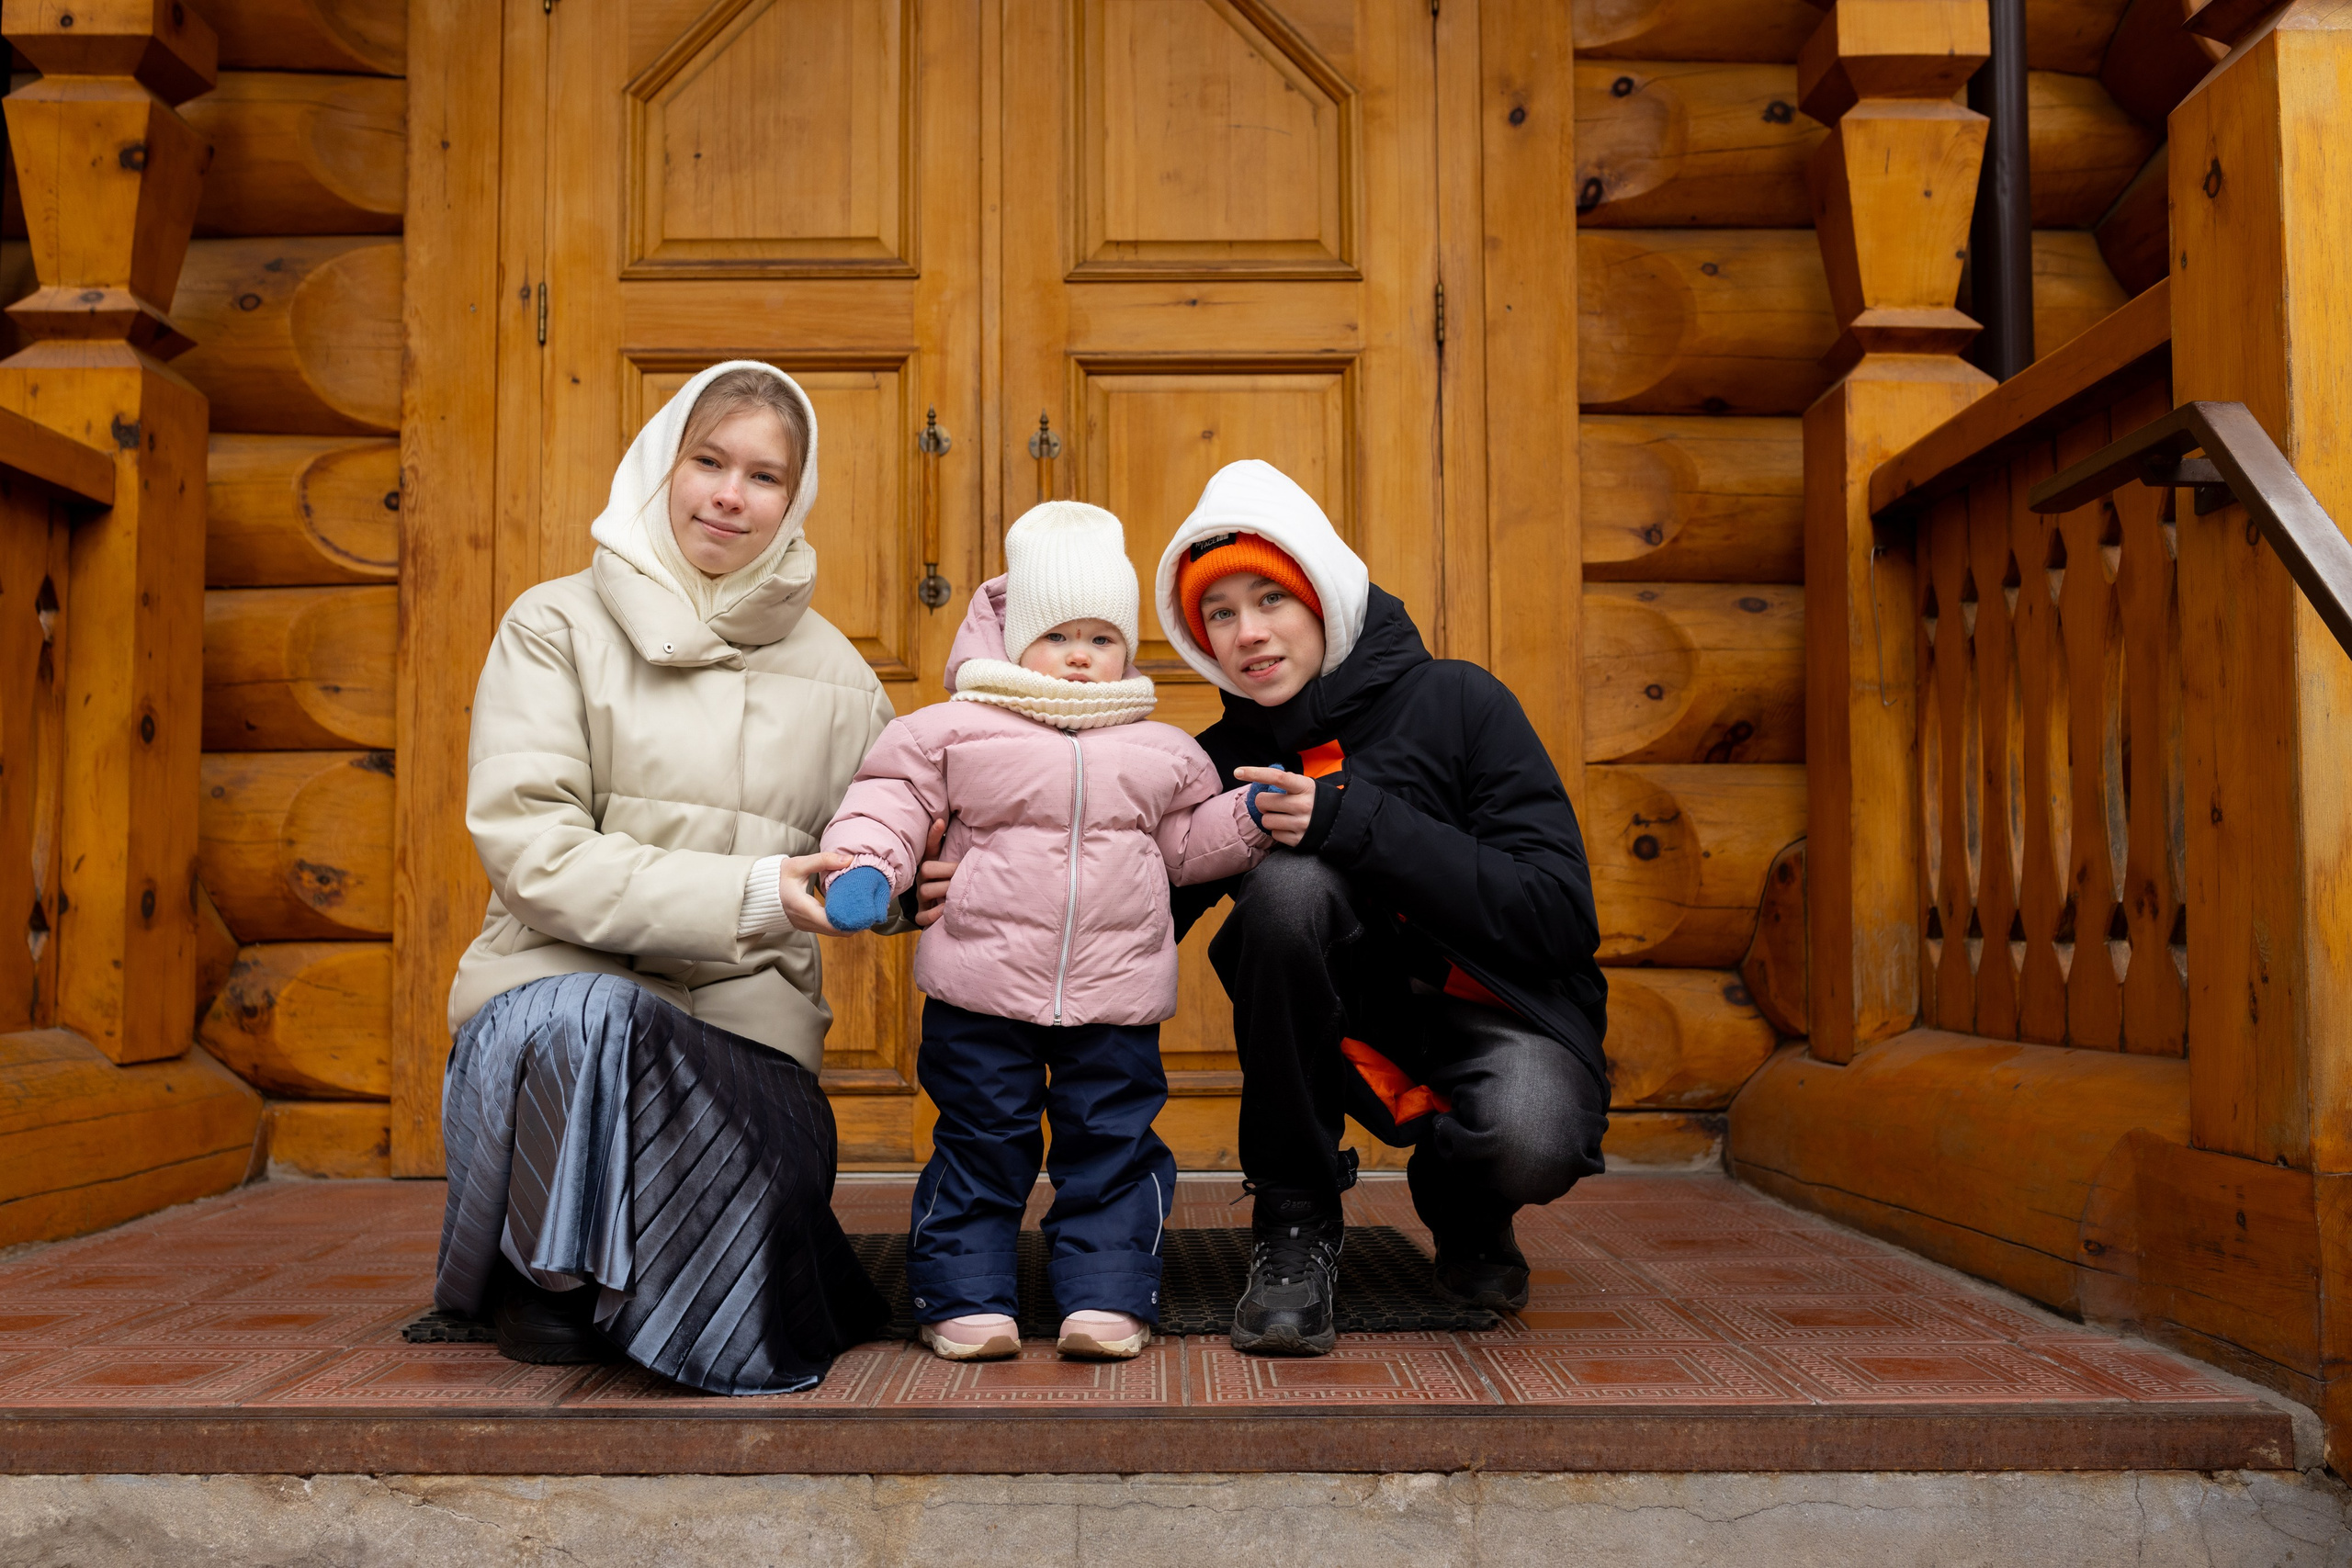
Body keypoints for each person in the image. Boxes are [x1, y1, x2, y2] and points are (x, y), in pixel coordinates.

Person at [914, 460, 1610, 1358]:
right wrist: (953, 885)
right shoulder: (1215, 759)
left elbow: (1558, 916)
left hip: (1502, 1019)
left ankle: (1471, 1211)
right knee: (1287, 890)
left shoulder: (1460, 702)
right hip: (1345, 1038)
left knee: (1530, 1133)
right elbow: (1116, 899)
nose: (1248, 633)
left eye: (1270, 600)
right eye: (1219, 613)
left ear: (1322, 596)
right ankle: (1295, 1224)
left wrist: (1354, 818)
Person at [433, 361, 892, 1395]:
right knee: (590, 1014)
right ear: (663, 467)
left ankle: (657, 1284)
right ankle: (547, 1276)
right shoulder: (552, 627)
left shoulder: (843, 682)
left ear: (794, 500)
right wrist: (753, 892)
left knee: (678, 1067)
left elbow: (877, 845)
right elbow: (535, 852)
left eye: (765, 477)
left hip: (740, 1052)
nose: (732, 495)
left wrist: (911, 884)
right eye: (709, 461)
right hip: (550, 1034)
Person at [818, 502, 1273, 1362]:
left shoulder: (1161, 750)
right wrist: (865, 868)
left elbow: (1182, 847)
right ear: (1011, 638)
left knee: (1112, 1143)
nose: (1080, 655)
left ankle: (1105, 1297)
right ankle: (961, 1295)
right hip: (982, 990)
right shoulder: (949, 730)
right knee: (981, 1140)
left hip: (1116, 997)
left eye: (1102, 638)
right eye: (1058, 634)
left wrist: (1246, 817)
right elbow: (888, 801)